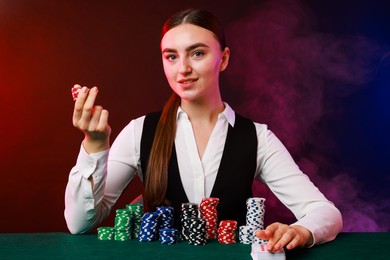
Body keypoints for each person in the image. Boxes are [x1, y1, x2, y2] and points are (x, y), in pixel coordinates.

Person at [65, 8, 342, 252]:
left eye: (197, 53)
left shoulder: (257, 138)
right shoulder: (139, 132)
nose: (183, 68)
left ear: (223, 58)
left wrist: (301, 232)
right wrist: (95, 144)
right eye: (171, 56)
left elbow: (325, 212)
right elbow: (79, 223)